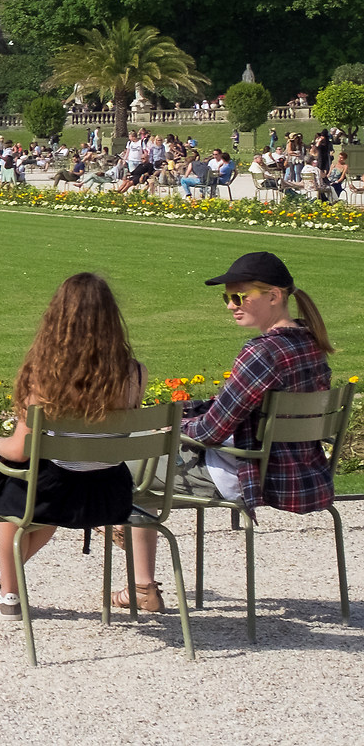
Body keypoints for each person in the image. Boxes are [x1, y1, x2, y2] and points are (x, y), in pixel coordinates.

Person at [115, 251, 335, 612]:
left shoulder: (262, 352)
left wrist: (173, 426)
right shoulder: (309, 343)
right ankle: (138, 562)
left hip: (250, 475)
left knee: (120, 465)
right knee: (140, 465)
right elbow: (237, 406)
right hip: (300, 471)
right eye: (227, 297)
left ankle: (138, 575)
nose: (231, 305)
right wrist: (183, 415)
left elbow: (212, 431)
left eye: (239, 296)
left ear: (274, 296)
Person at [0, 273, 147, 618]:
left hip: (58, 493)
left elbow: (19, 450)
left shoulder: (44, 376)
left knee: (14, 484)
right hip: (111, 492)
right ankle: (1, 578)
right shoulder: (134, 373)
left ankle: (9, 592)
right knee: (42, 479)